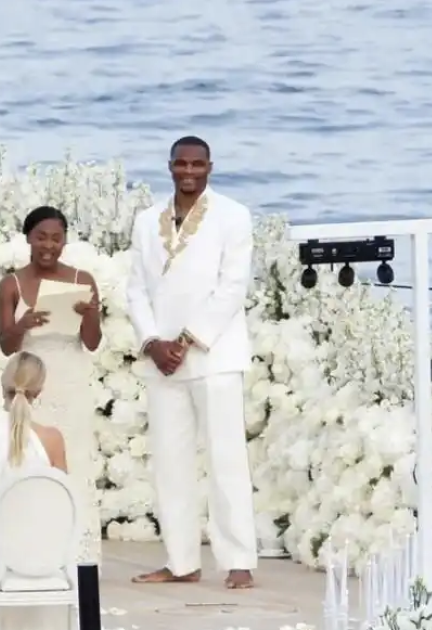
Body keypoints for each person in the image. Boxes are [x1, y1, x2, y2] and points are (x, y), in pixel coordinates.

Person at [125, 136, 257, 589]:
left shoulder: (233, 216)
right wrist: (152, 342)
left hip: (214, 355)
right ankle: (180, 562)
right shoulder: (147, 221)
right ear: (169, 167)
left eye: (197, 164)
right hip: (162, 361)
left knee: (225, 460)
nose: (188, 171)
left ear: (209, 167)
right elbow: (136, 288)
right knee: (170, 463)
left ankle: (238, 560)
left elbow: (232, 287)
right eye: (181, 164)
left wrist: (187, 340)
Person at [0, 205, 103, 565]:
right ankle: (34, 550)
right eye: (41, 237)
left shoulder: (83, 280)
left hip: (71, 383)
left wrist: (90, 315)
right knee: (32, 462)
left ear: (65, 241)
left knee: (75, 463)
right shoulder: (11, 285)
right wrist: (22, 324)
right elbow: (6, 346)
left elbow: (92, 342)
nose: (49, 245)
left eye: (56, 238)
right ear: (28, 238)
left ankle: (80, 555)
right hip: (31, 385)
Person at [0, 352, 68, 630]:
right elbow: (59, 505)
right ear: (39, 391)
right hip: (41, 559)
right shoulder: (52, 440)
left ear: (2, 386)